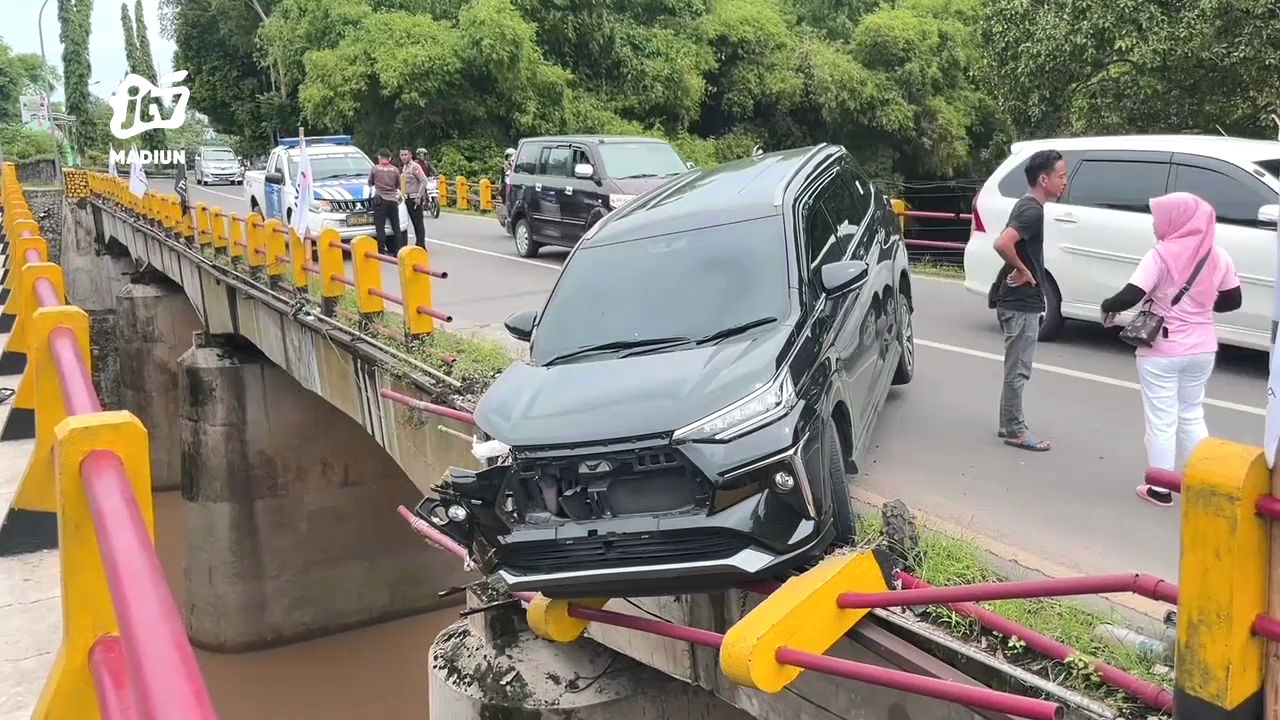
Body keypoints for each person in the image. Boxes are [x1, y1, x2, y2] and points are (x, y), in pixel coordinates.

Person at [1099, 192, 1242, 507]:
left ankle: (1160, 488)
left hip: (1163, 348)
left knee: (1162, 419)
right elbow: (1233, 301)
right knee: (1192, 413)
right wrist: (1198, 305)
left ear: (1177, 220)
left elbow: (1130, 295)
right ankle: (1203, 484)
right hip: (1203, 348)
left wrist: (1106, 305)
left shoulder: (1161, 255)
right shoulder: (1218, 255)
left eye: (1158, 218)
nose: (1154, 224)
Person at [988, 149, 1067, 452]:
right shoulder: (1032, 210)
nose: (1064, 183)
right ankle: (1016, 430)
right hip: (1021, 303)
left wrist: (1020, 268)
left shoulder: (1027, 206)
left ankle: (1007, 422)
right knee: (1019, 369)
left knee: (1014, 366)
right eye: (1061, 177)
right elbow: (1002, 243)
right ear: (1043, 179)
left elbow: (1010, 243)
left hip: (1018, 301)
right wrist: (1022, 271)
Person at [367, 148, 403, 253]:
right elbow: (398, 186)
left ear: (379, 157)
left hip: (380, 200)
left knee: (380, 227)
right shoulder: (395, 170)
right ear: (390, 158)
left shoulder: (375, 169)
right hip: (393, 201)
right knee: (396, 226)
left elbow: (370, 183)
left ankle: (381, 249)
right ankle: (399, 250)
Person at [400, 147, 428, 247]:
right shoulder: (404, 167)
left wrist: (419, 196)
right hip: (405, 198)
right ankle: (403, 245)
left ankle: (421, 245)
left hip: (414, 199)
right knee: (403, 223)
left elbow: (424, 180)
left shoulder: (414, 167)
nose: (403, 157)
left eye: (405, 155)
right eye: (402, 155)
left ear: (411, 155)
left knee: (418, 223)